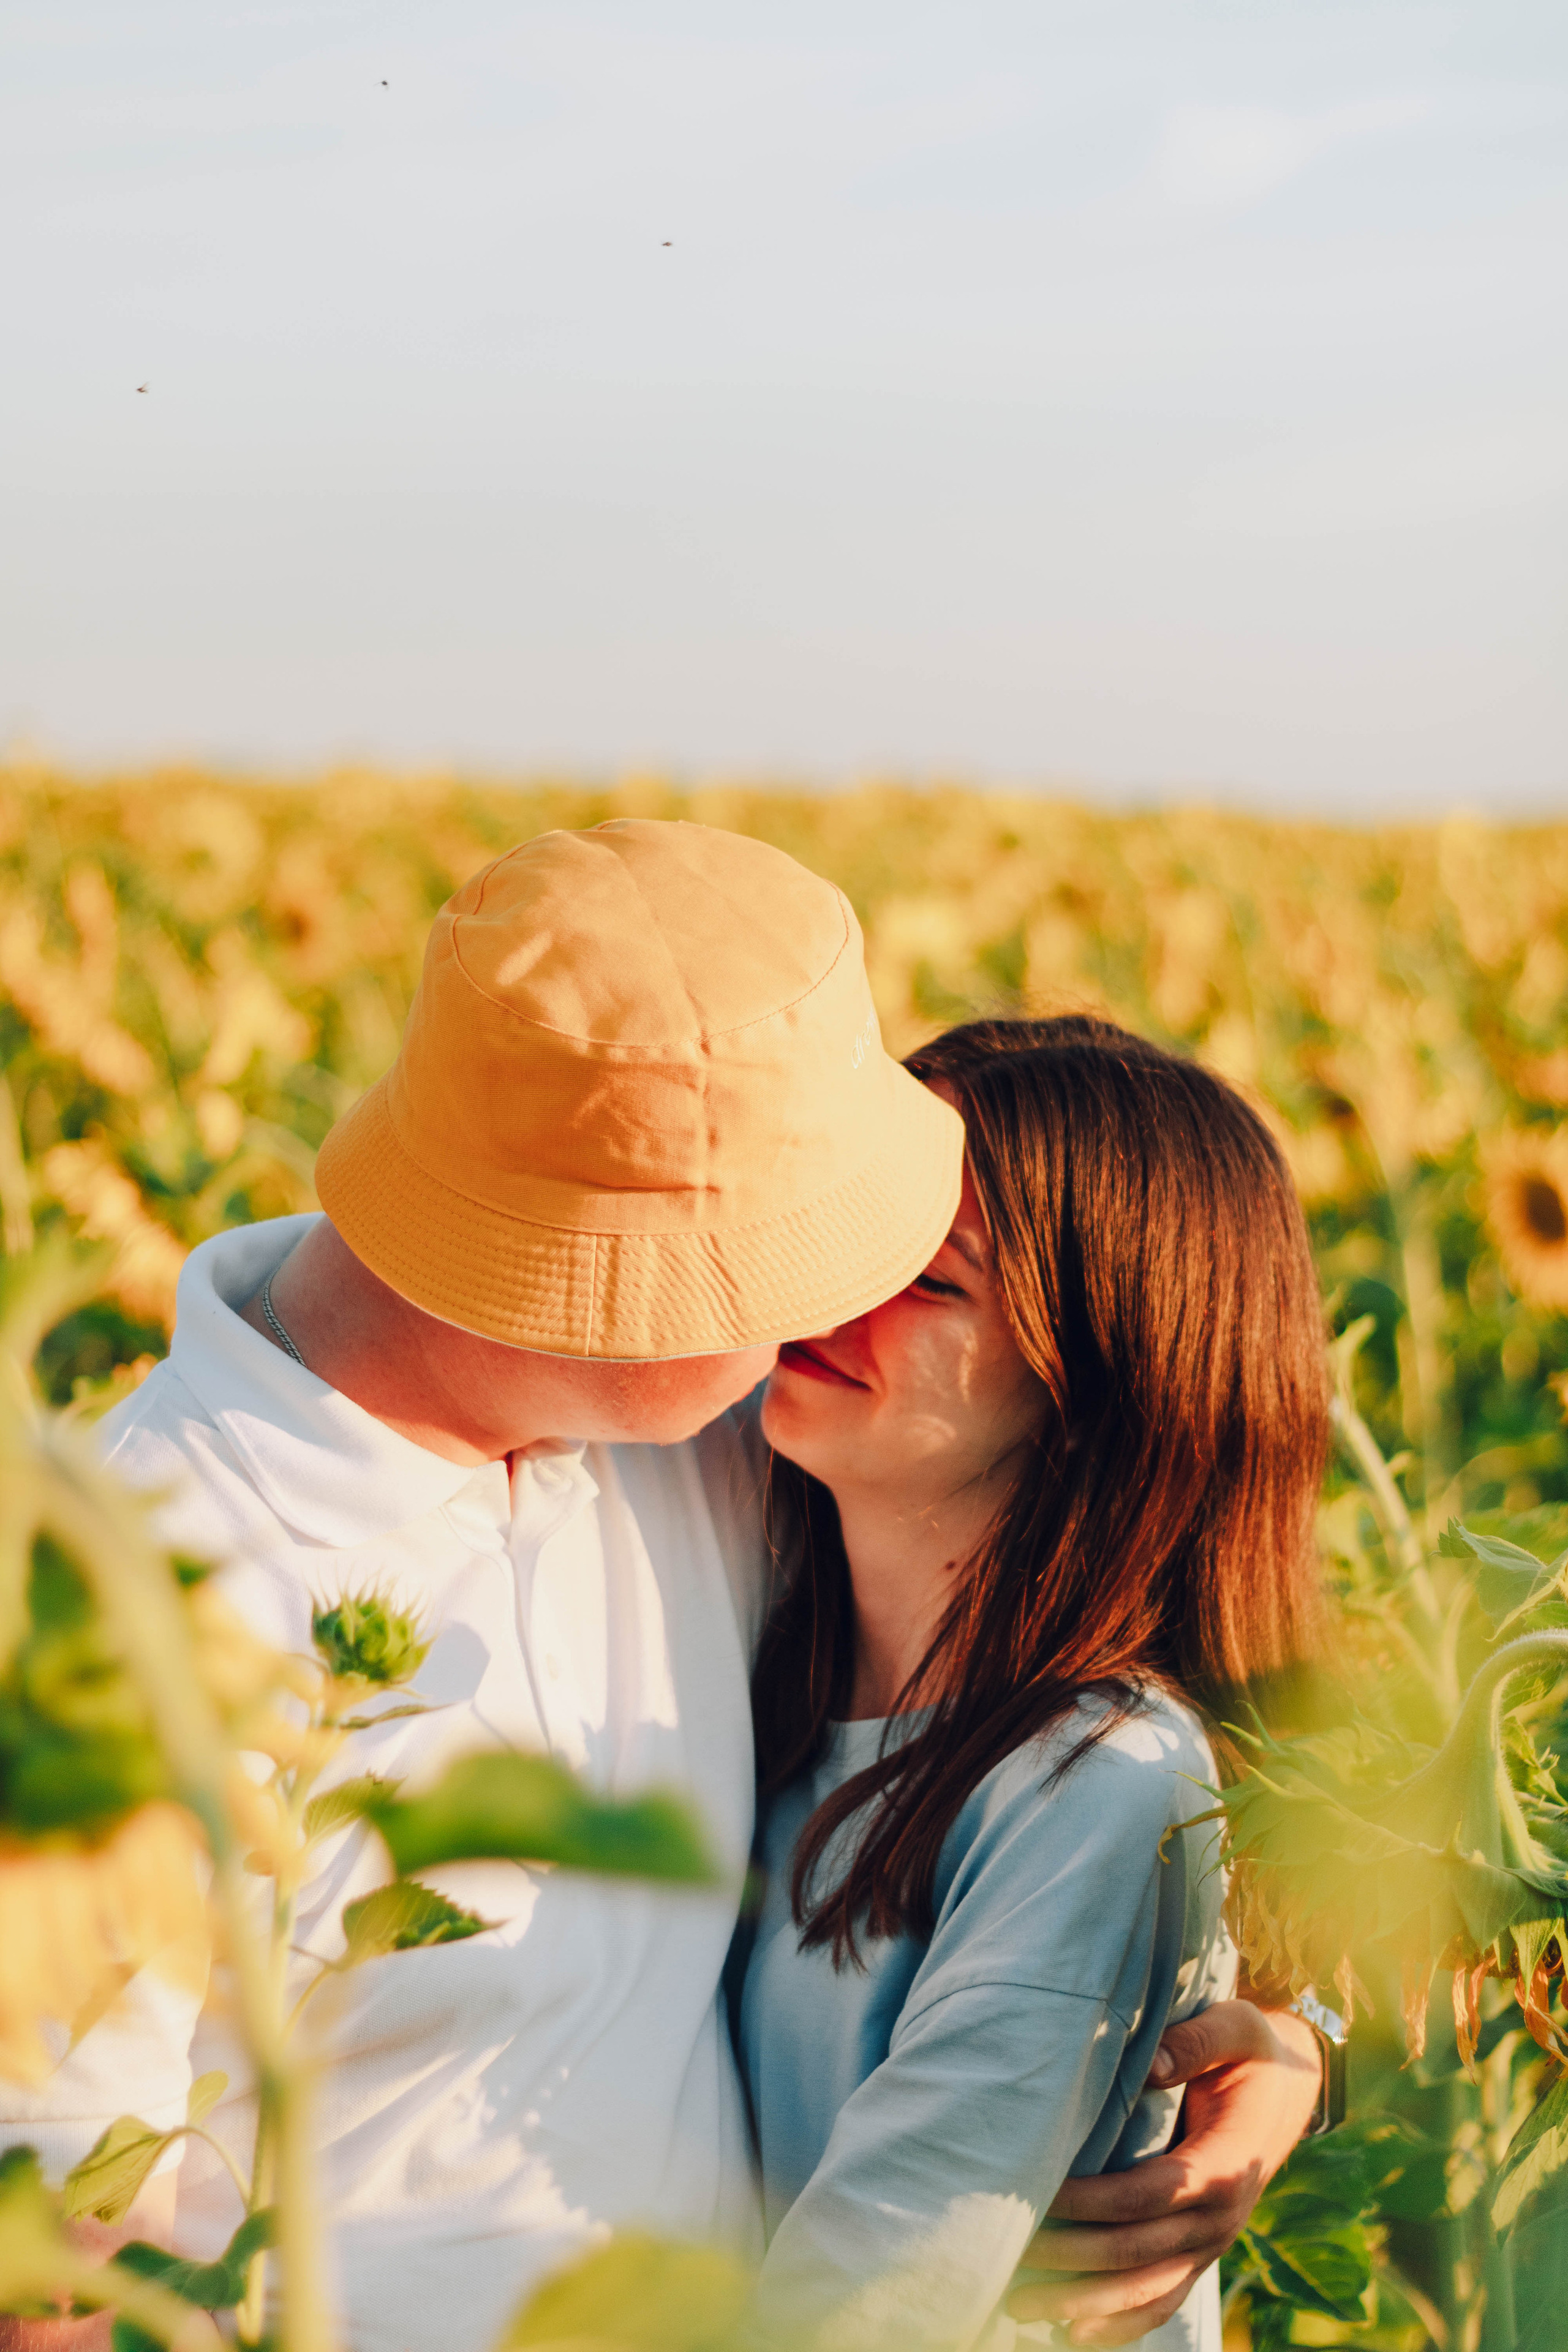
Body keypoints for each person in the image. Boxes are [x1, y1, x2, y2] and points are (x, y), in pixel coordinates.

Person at [0, 825, 1321, 2352]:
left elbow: (1140, 1640)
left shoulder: (701, 1438)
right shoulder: (106, 1614)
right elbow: (55, 2251)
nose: (843, 1292)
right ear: (610, 1277)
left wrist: (1273, 2048)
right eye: (808, 1241)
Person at [739, 1017, 1330, 2351]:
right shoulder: (755, 1579)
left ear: (1102, 1386)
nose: (835, 1293)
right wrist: (1303, 2047)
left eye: (930, 1280)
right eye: (849, 1228)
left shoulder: (1099, 1788)